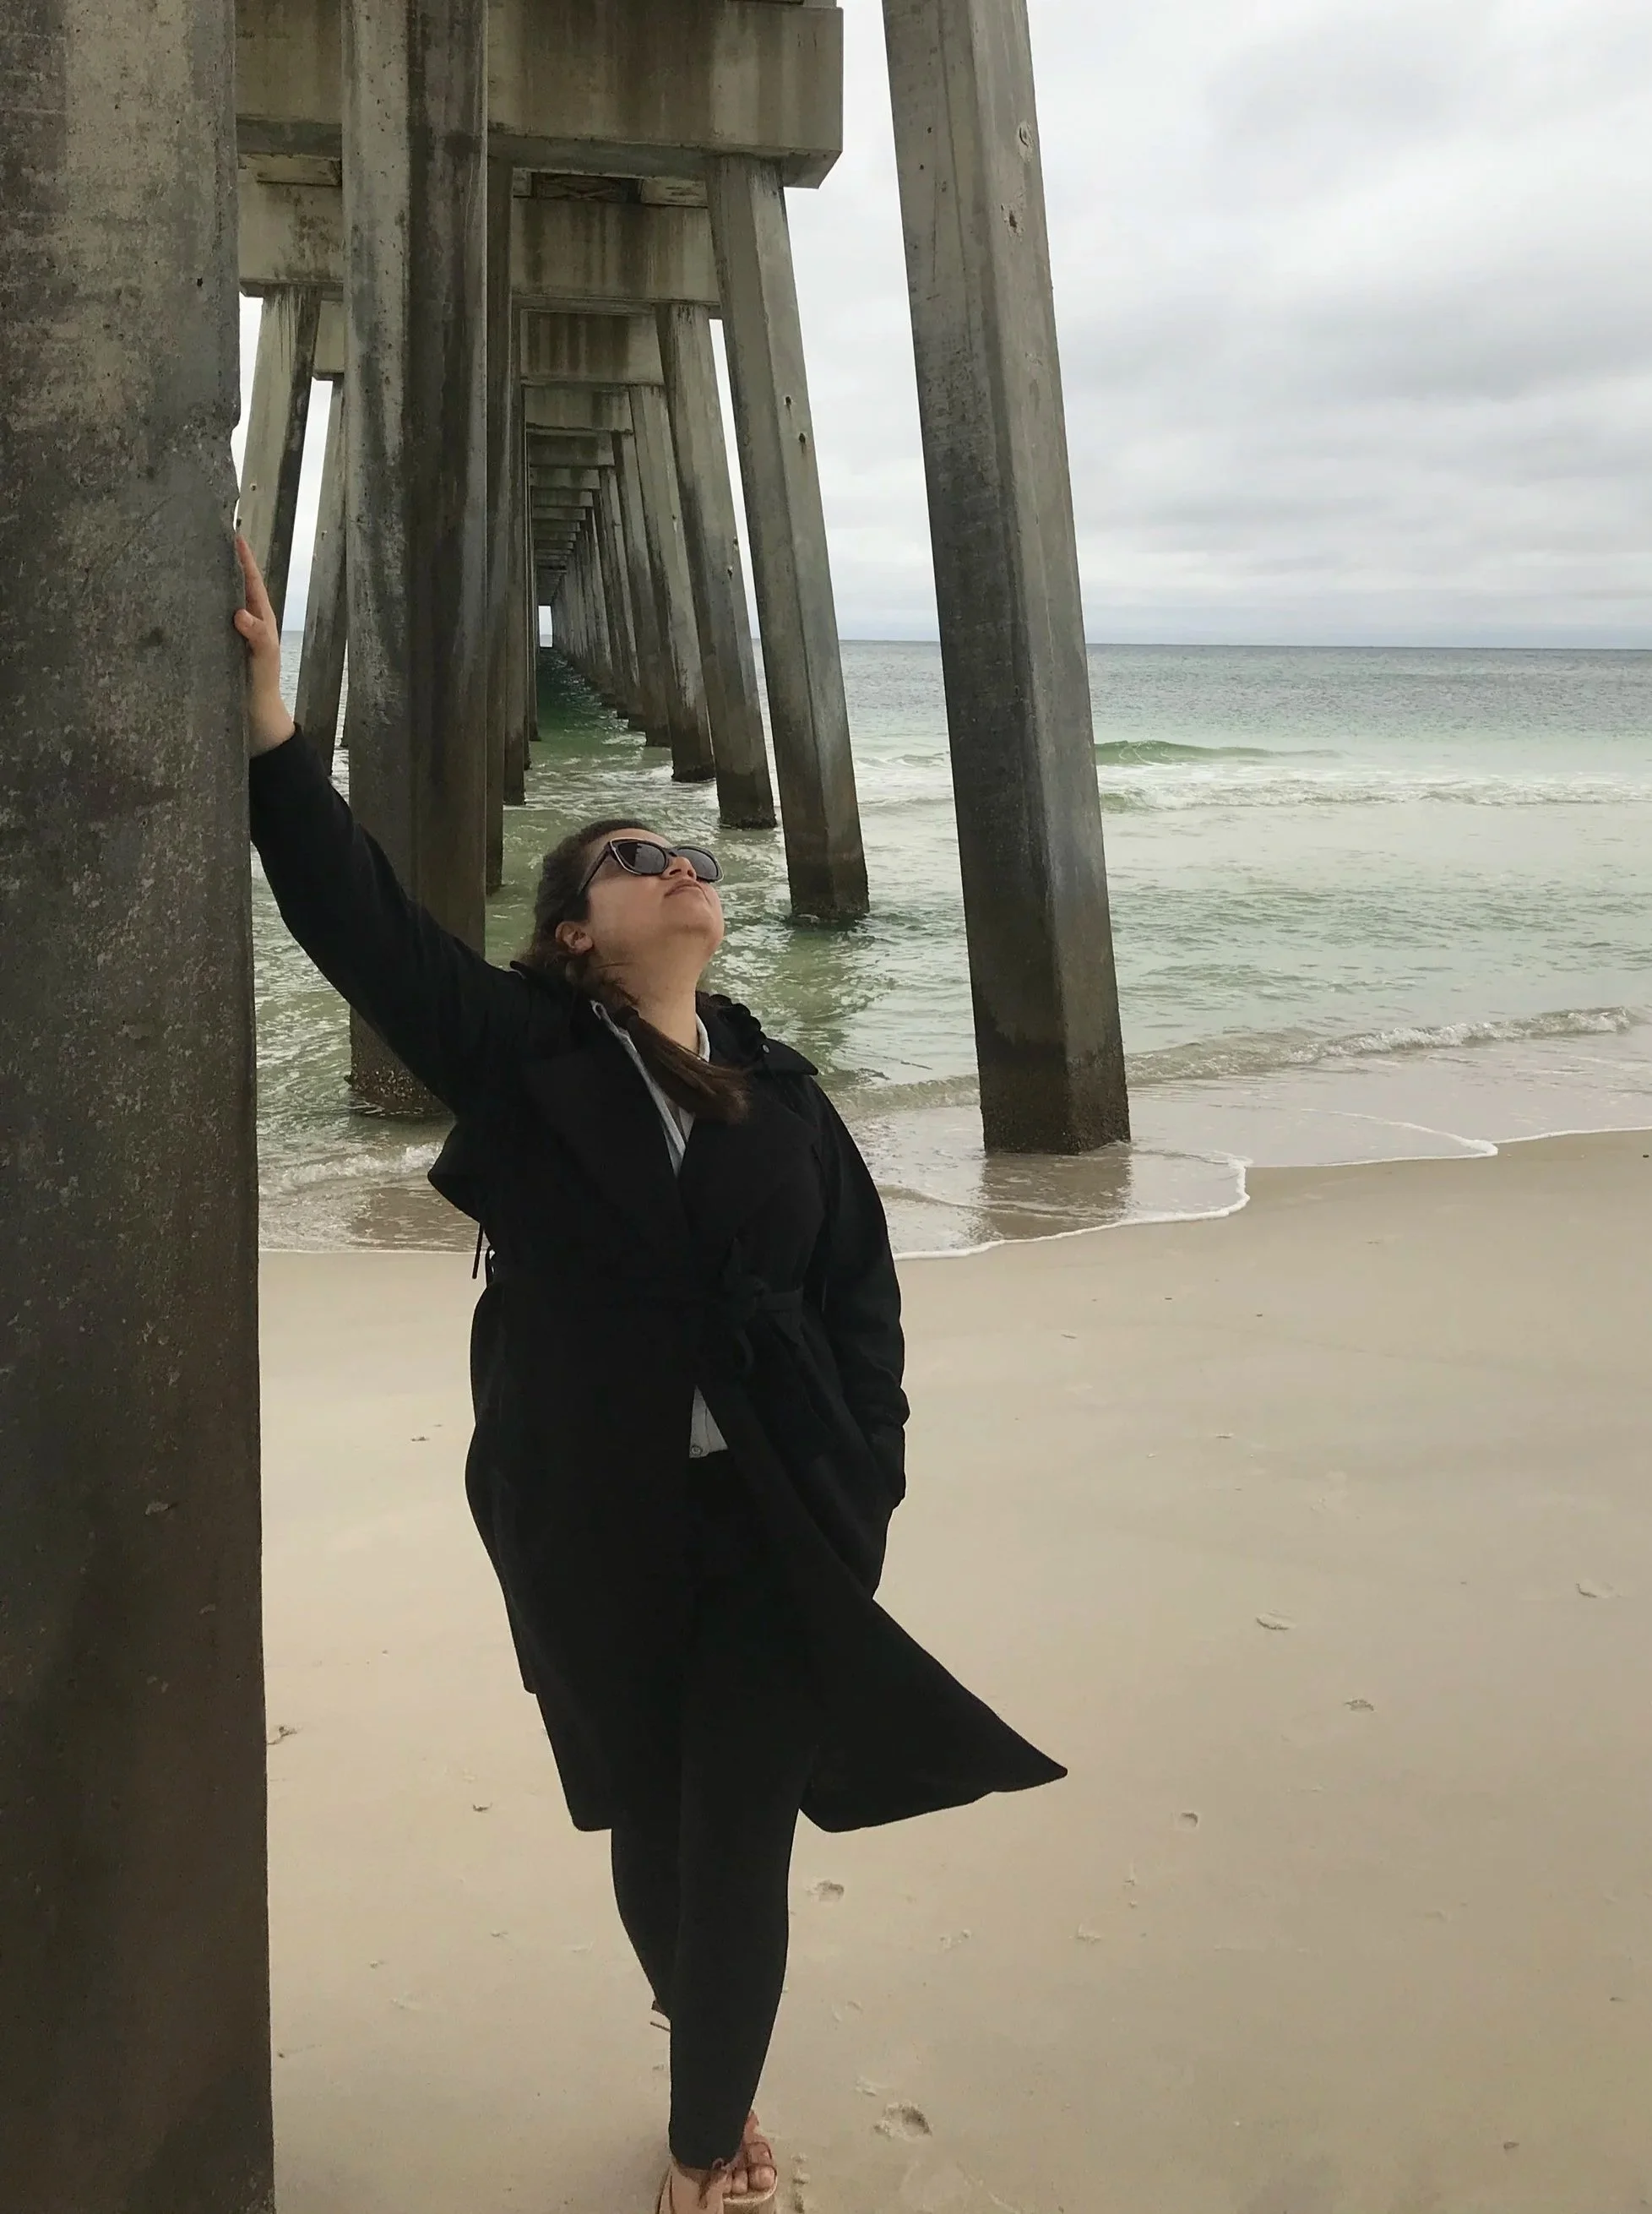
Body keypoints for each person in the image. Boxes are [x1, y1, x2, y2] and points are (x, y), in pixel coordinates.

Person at [234, 537, 1065, 2213]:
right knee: (650, 1818)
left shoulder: (789, 1096)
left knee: (736, 1820)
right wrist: (270, 739)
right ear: (570, 935)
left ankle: (705, 2143)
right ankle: (704, 2021)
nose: (677, 862)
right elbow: (362, 920)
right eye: (631, 856)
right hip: (585, 1512)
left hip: (778, 1517)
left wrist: (863, 1485)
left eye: (686, 850)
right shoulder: (530, 1058)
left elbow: (861, 1310)